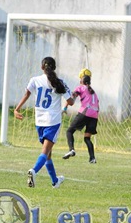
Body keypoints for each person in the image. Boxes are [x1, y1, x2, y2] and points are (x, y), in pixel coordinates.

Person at [14, 57, 75, 188]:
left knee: (48, 153)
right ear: (54, 68)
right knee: (45, 151)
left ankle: (55, 181)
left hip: (39, 121)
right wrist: (72, 96)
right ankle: (33, 171)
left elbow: (26, 94)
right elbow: (71, 102)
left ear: (42, 67)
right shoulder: (60, 83)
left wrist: (17, 109)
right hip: (52, 121)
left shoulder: (35, 80)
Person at [62, 68, 99, 164]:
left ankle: (71, 150)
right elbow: (97, 106)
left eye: (80, 79)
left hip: (84, 113)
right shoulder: (94, 92)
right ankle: (92, 158)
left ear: (82, 81)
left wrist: (65, 108)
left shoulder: (80, 88)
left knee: (69, 131)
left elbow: (71, 98)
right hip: (94, 116)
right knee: (87, 138)